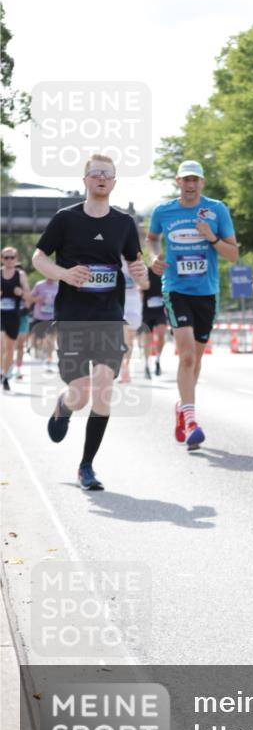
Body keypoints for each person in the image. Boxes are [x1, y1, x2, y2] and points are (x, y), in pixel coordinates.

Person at [32, 154, 146, 490]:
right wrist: (64, 273)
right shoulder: (65, 219)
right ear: (85, 180)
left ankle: (86, 466)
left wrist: (139, 271)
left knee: (104, 387)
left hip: (110, 316)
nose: (101, 178)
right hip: (73, 317)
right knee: (80, 395)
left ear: (114, 182)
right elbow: (39, 257)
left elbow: (134, 262)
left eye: (107, 175)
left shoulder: (124, 223)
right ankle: (63, 406)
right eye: (95, 173)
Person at [147, 160, 238, 450]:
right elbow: (152, 238)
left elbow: (233, 254)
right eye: (186, 180)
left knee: (196, 361)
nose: (190, 184)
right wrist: (155, 256)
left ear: (202, 183)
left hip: (206, 292)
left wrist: (210, 237)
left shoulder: (217, 210)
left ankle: (182, 407)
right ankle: (191, 421)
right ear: (178, 181)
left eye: (195, 180)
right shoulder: (163, 211)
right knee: (186, 356)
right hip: (176, 288)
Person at [1, 247, 32, 391]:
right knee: (1, 345)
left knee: (9, 348)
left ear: (16, 258)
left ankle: (5, 376)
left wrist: (21, 292)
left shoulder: (20, 275)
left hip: (13, 315)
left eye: (11, 257)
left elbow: (29, 297)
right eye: (6, 257)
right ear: (1, 258)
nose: (9, 260)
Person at [119, 258, 148, 383]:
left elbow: (146, 285)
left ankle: (125, 367)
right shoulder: (112, 260)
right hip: (118, 303)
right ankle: (121, 368)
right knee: (123, 337)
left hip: (134, 304)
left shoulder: (138, 264)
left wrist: (137, 278)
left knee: (129, 341)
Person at [140, 267, 168, 378]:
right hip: (147, 310)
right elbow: (141, 290)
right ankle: (146, 364)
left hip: (161, 309)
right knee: (148, 338)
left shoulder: (165, 271)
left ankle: (157, 360)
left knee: (161, 335)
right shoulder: (146, 271)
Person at [29, 276, 59, 369]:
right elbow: (30, 298)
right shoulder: (39, 285)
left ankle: (49, 359)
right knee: (40, 340)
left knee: (50, 339)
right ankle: (40, 352)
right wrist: (37, 299)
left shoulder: (58, 286)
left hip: (52, 317)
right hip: (39, 317)